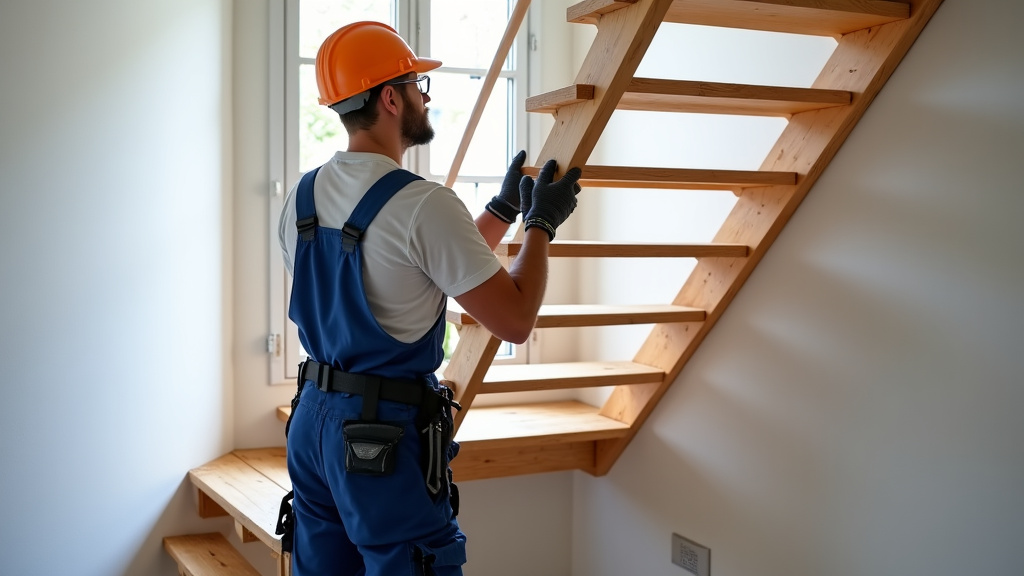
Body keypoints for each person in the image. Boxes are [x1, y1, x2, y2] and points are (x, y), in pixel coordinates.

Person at [277, 21, 582, 576]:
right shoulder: (424, 204)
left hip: (313, 423)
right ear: (390, 98)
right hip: (380, 439)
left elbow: (404, 271)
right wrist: (540, 223)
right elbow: (513, 319)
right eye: (418, 84)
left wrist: (499, 212)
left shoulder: (301, 198)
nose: (426, 96)